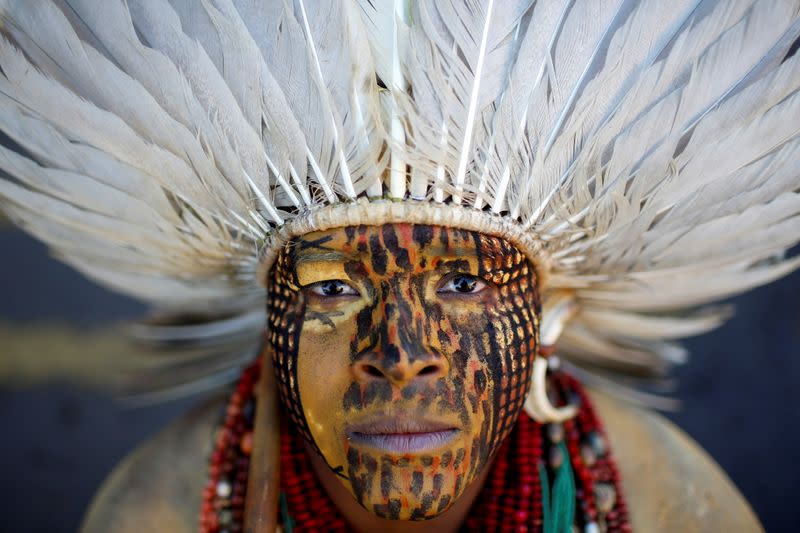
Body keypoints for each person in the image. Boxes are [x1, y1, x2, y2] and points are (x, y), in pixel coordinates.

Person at [0, 1, 797, 532]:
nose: (399, 353)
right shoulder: (157, 510)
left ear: (549, 321)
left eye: (462, 282)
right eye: (333, 289)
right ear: (272, 327)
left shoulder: (667, 501)